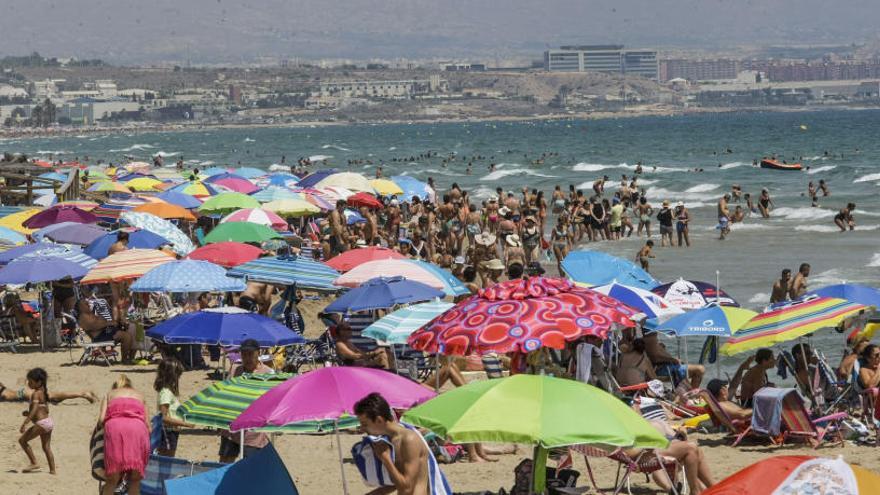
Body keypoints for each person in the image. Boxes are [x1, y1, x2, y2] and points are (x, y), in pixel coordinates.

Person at [354, 392, 430, 495]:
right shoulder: (389, 439)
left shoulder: (409, 439)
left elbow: (407, 488)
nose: (362, 429)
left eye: (365, 424)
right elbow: (395, 483)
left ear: (379, 420)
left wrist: (386, 459)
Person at [219, 339, 271, 463]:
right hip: (231, 426)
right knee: (225, 462)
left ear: (258, 353)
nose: (247, 358)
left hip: (253, 430)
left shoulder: (268, 374)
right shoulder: (235, 370)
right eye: (244, 354)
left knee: (251, 464)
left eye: (250, 354)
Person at [99, 375, 150, 495]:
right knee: (135, 479)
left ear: (116, 386)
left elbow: (101, 420)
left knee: (112, 479)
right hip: (138, 429)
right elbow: (148, 426)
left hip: (115, 429)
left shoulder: (109, 394)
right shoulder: (140, 396)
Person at [76, 295, 136, 363]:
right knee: (126, 336)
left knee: (131, 330)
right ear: (80, 307)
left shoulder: (89, 314)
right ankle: (125, 359)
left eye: (87, 303)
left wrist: (113, 322)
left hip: (105, 332)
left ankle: (131, 357)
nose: (88, 305)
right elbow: (93, 326)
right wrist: (108, 323)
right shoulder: (83, 317)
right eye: (86, 304)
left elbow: (99, 322)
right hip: (100, 337)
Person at [154, 358, 195, 457]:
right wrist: (186, 424)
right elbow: (164, 418)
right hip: (167, 431)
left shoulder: (168, 392)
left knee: (167, 457)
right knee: (167, 458)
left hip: (171, 431)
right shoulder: (166, 393)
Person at [18, 368, 55, 474]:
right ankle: (52, 470)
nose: (28, 383)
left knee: (22, 441)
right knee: (46, 447)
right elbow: (45, 409)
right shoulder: (43, 392)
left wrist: (25, 422)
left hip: (42, 424)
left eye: (30, 381)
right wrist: (29, 413)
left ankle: (34, 462)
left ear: (38, 382)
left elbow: (34, 410)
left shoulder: (36, 394)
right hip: (49, 422)